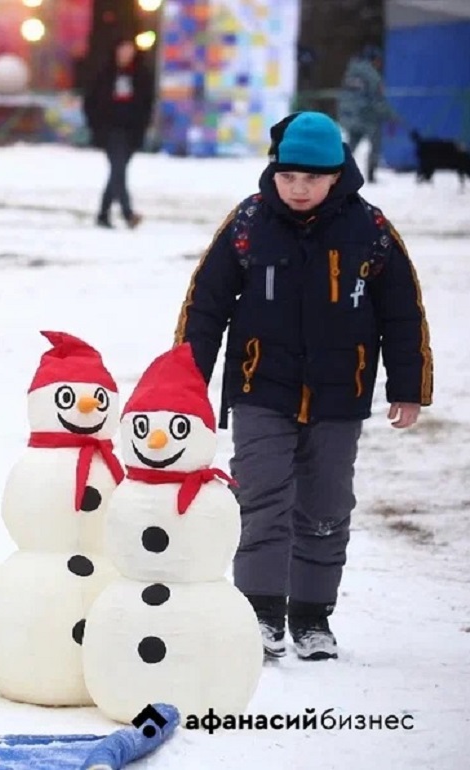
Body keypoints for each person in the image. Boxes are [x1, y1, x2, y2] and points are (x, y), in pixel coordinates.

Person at [173, 111, 433, 662]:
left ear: (336, 175)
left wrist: (407, 387)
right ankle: (261, 612)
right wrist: (185, 383)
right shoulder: (249, 223)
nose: (297, 188)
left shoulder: (372, 231)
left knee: (326, 503)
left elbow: (403, 314)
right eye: (288, 177)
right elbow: (206, 305)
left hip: (341, 392)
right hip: (260, 384)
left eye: (311, 179)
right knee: (261, 494)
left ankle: (312, 617)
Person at [83, 37, 154, 229]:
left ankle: (103, 214)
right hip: (110, 131)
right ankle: (128, 213)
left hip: (131, 131)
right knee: (119, 170)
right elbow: (91, 100)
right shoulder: (104, 74)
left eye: (129, 49)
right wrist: (96, 124)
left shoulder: (141, 75)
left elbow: (147, 103)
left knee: (117, 173)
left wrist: (142, 125)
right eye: (123, 49)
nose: (126, 53)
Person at [337, 45, 393, 184]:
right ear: (375, 59)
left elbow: (345, 95)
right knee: (375, 145)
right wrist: (390, 115)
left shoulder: (351, 72)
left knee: (350, 146)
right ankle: (371, 175)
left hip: (351, 116)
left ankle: (338, 171)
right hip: (368, 117)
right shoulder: (372, 74)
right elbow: (377, 100)